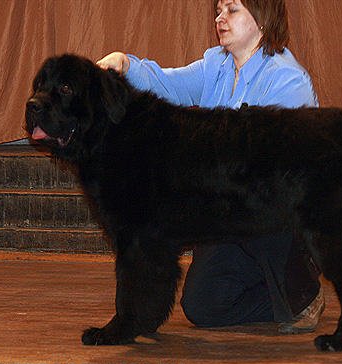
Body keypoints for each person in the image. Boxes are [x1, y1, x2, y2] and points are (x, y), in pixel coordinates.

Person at [97, 0, 324, 334]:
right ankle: (288, 299)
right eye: (218, 11)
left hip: (284, 216)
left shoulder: (288, 80)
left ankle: (300, 289)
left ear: (262, 19)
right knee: (204, 307)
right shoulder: (215, 64)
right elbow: (167, 84)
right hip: (231, 210)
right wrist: (125, 64)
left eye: (231, 10)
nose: (220, 18)